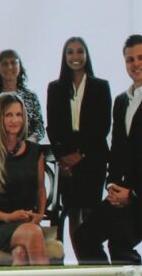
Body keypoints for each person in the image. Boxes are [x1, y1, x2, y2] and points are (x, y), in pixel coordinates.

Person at [73, 34, 142, 265]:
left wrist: (133, 194)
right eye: (130, 59)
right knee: (84, 236)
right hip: (123, 194)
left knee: (119, 241)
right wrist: (112, 185)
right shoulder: (121, 101)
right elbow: (117, 150)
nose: (136, 64)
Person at [45, 37, 112, 241]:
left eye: (80, 51)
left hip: (93, 157)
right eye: (70, 52)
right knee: (73, 212)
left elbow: (103, 126)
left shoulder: (101, 86)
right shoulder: (55, 87)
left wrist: (81, 154)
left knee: (91, 211)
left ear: (86, 55)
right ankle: (80, 259)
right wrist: (62, 159)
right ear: (64, 57)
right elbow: (52, 127)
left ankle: (91, 254)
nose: (75, 56)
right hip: (67, 161)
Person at [0, 93, 48, 266]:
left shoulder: (35, 152)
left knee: (20, 254)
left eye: (19, 114)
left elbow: (40, 189)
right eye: (9, 115)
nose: (15, 120)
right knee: (33, 233)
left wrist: (40, 214)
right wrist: (7, 217)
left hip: (26, 221)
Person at [0, 50, 45, 142]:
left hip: (28, 147)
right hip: (0, 148)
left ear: (20, 67)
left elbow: (39, 127)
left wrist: (28, 143)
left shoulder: (31, 97)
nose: (9, 67)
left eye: (13, 62)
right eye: (4, 64)